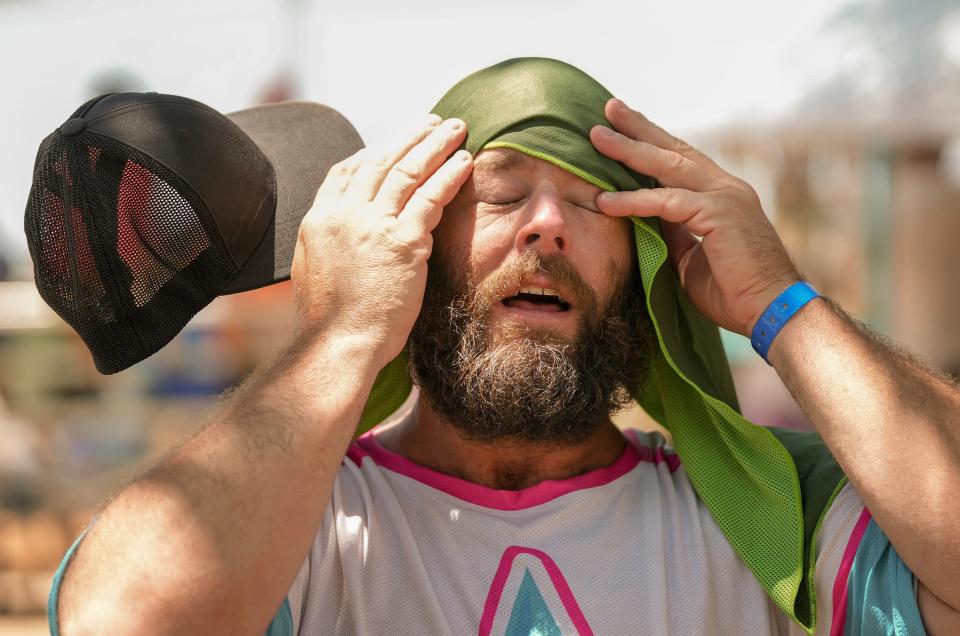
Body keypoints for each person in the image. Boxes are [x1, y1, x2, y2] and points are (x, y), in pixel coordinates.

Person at [52, 59, 959, 635]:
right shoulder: (305, 526)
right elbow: (120, 624)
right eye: (500, 192)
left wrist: (779, 302)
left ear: (647, 263)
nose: (549, 226)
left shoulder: (757, 508)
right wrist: (344, 335)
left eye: (595, 201)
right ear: (414, 247)